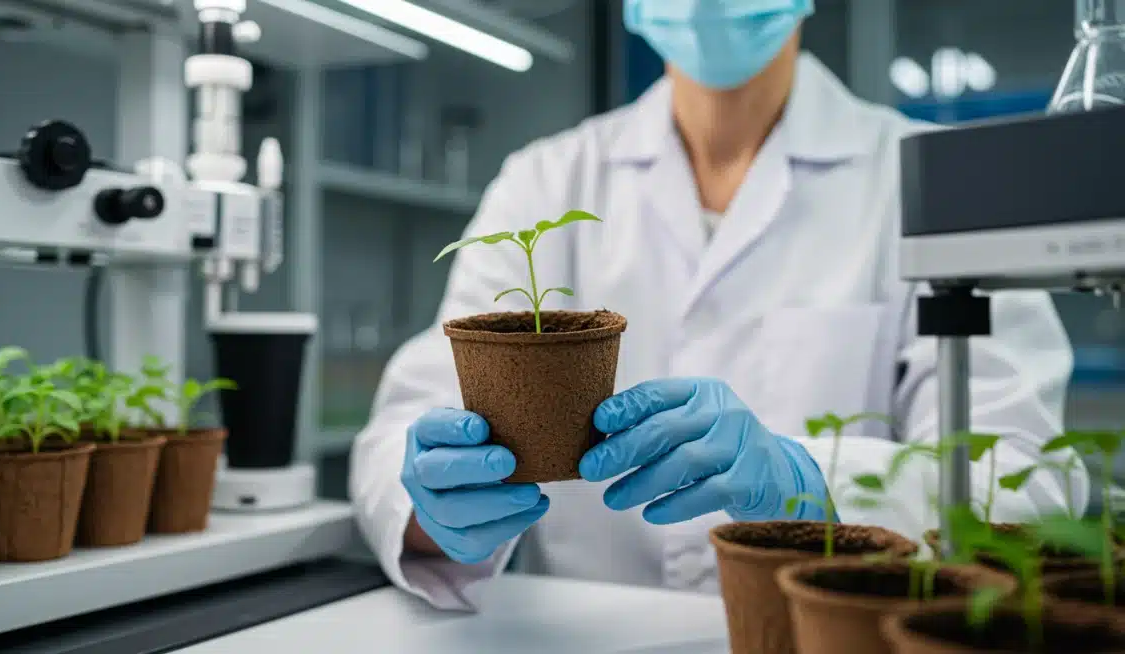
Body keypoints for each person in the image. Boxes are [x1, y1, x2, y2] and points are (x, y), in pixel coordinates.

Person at [349, 0, 1086, 611]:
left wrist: (814, 479)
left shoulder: (929, 178)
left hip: (836, 629)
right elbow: (408, 426)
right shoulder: (546, 180)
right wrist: (434, 511)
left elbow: (1027, 477)